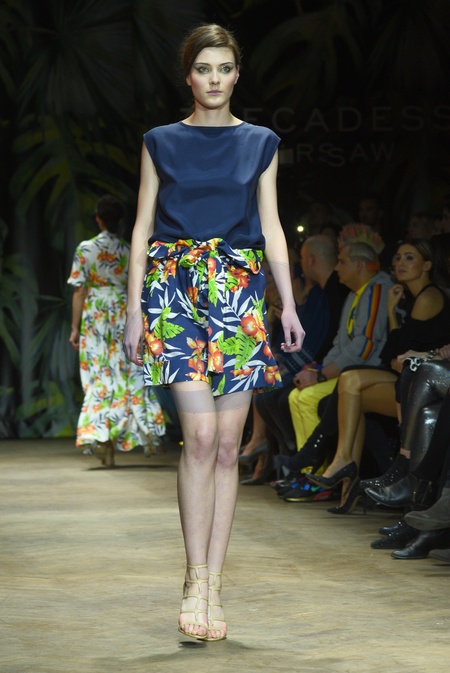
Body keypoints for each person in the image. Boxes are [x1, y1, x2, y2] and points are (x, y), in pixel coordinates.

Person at [122, 24, 305, 642]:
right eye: (204, 68)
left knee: (228, 445)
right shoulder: (160, 142)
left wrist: (288, 303)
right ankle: (193, 576)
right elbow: (142, 228)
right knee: (199, 437)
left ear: (237, 74)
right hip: (173, 291)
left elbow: (272, 227)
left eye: (224, 68)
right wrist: (133, 309)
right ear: (188, 75)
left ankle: (213, 586)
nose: (215, 79)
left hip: (238, 290)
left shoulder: (260, 142)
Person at [307, 239, 450, 513]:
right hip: (410, 377)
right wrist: (391, 311)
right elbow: (395, 352)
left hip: (423, 382)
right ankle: (345, 469)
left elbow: (396, 352)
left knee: (350, 384)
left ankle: (346, 468)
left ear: (427, 265)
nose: (400, 263)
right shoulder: (410, 297)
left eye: (409, 258)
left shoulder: (429, 297)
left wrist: (392, 322)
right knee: (350, 384)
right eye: (398, 257)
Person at [68, 195, 165, 467]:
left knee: (100, 375)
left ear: (98, 218)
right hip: (124, 312)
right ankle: (113, 438)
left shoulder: (86, 249)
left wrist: (74, 327)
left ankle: (104, 440)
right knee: (124, 375)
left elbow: (79, 291)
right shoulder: (128, 250)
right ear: (119, 220)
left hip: (96, 316)